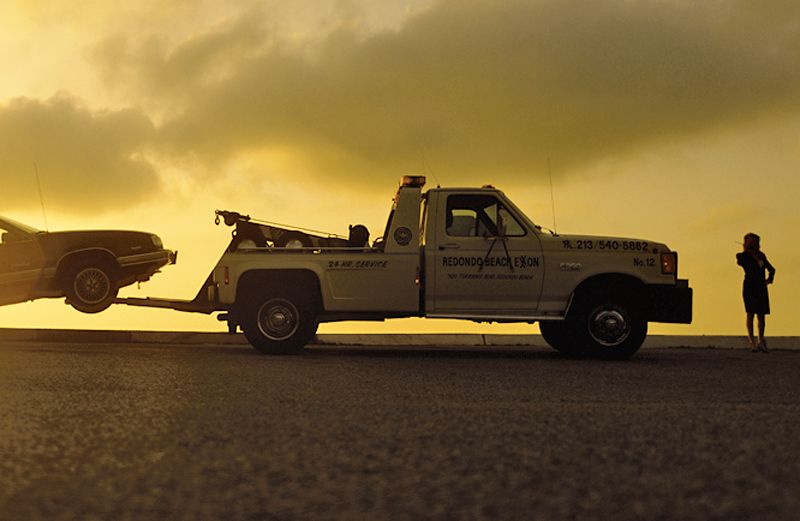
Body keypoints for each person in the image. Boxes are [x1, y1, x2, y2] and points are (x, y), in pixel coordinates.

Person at [736, 233, 776, 352]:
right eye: (750, 242)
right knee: (750, 313)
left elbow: (772, 269)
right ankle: (752, 341)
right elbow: (743, 263)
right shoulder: (742, 256)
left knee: (761, 314)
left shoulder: (761, 256)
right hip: (749, 286)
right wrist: (750, 253)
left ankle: (761, 340)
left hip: (760, 287)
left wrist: (769, 280)